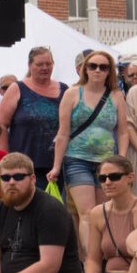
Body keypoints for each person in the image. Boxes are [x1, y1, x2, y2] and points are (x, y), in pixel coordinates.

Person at [0, 154, 133, 273]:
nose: (107, 182)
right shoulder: (98, 213)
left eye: (114, 177)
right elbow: (92, 258)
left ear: (131, 177)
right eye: (102, 178)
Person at [49, 49, 126, 250]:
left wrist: (122, 161)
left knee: (102, 212)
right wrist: (56, 166)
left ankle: (101, 258)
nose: (97, 70)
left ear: (110, 71)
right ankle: (92, 262)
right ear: (84, 69)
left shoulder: (117, 96)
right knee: (86, 212)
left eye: (103, 66)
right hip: (77, 158)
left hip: (107, 162)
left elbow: (123, 132)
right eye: (92, 66)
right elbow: (63, 132)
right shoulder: (72, 93)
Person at [0, 46, 68, 190]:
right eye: (39, 64)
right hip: (23, 164)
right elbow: (1, 125)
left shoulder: (64, 89)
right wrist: (5, 158)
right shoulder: (17, 88)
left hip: (56, 165)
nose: (44, 68)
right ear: (30, 66)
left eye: (48, 64)